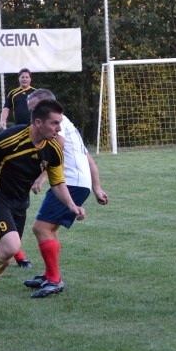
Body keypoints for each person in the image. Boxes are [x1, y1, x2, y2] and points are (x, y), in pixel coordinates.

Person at [0, 99, 85, 317]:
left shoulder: (53, 149)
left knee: (5, 257)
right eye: (54, 123)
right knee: (11, 246)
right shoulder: (11, 137)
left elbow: (58, 182)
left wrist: (71, 205)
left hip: (20, 203)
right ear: (38, 123)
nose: (59, 128)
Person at [24, 89, 109, 298]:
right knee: (49, 229)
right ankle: (49, 275)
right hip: (77, 182)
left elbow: (58, 148)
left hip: (69, 182)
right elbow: (87, 156)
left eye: (34, 109)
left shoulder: (56, 126)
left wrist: (41, 177)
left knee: (41, 228)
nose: (32, 114)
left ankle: (54, 280)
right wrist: (96, 187)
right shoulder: (66, 124)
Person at [0, 67, 36, 269]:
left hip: (32, 129)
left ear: (30, 79)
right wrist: (3, 121)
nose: (24, 79)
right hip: (18, 129)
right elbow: (6, 109)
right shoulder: (13, 93)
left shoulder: (35, 93)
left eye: (27, 77)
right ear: (19, 79)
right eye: (22, 77)